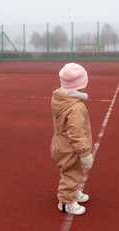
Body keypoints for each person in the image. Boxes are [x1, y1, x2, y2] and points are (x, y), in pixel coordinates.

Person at [51, 63, 94, 215]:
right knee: (73, 172)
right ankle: (65, 202)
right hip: (71, 148)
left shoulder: (60, 98)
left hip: (61, 143)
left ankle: (73, 192)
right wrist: (84, 153)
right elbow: (76, 134)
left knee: (71, 171)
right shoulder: (76, 107)